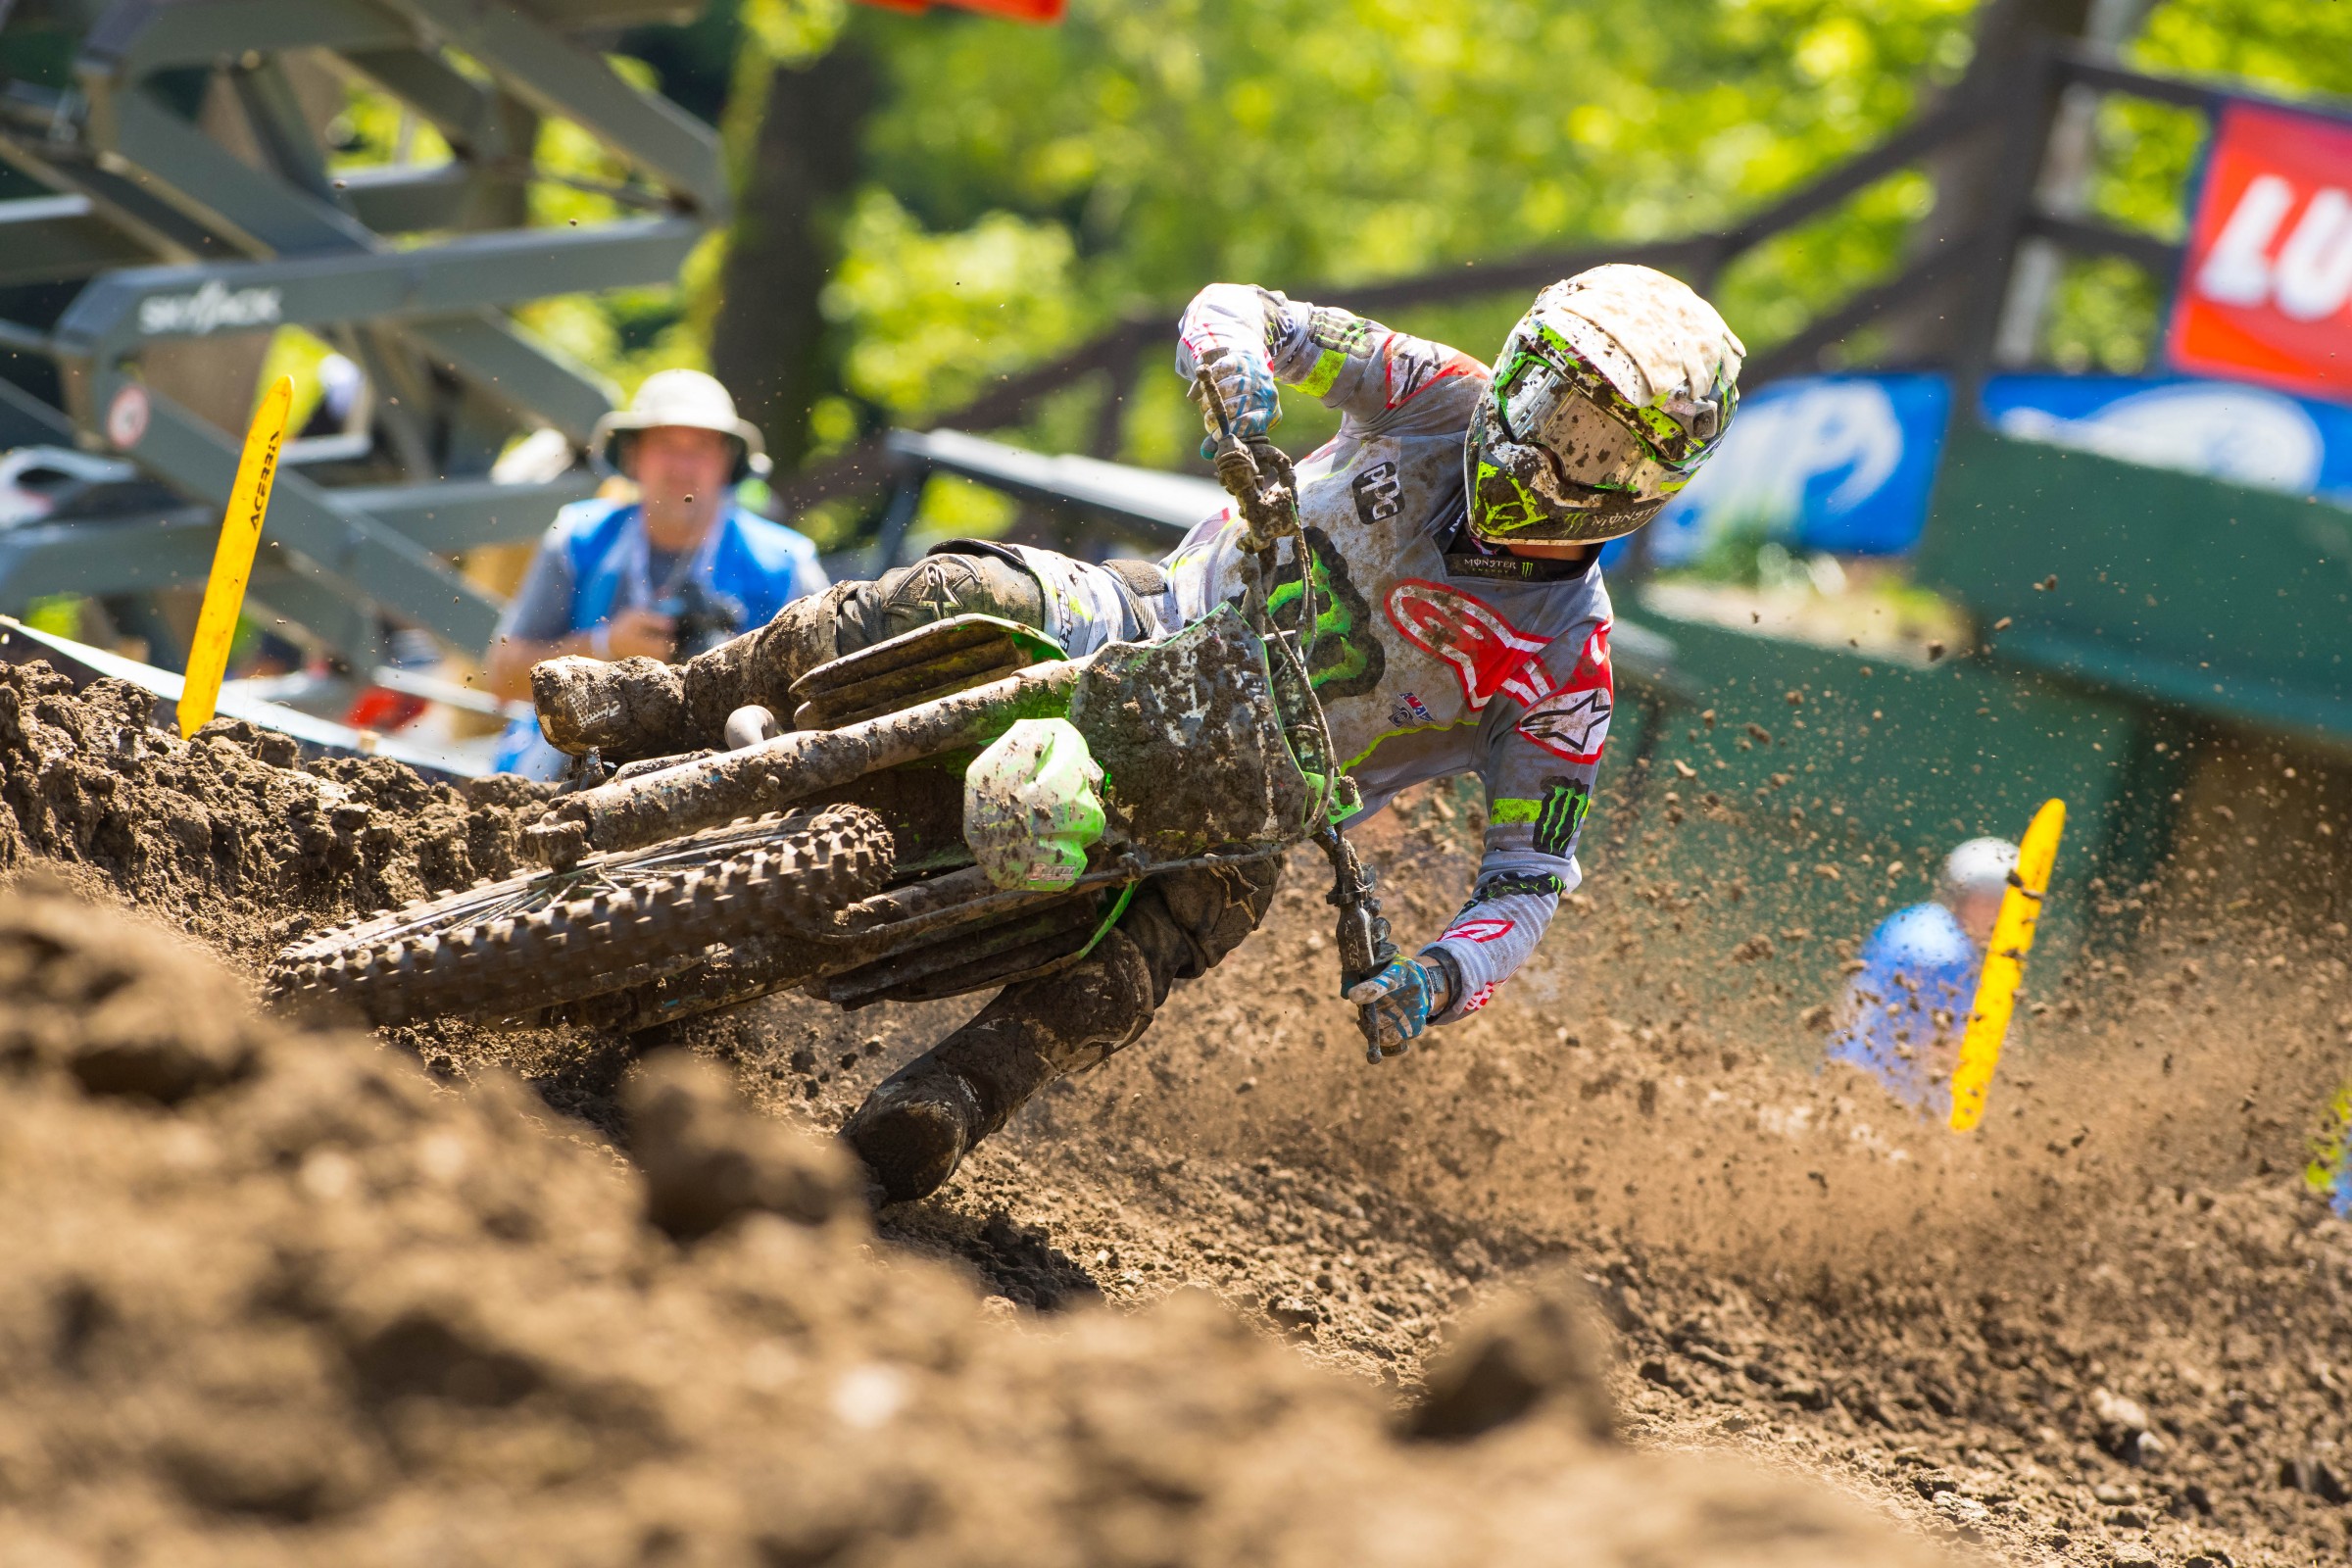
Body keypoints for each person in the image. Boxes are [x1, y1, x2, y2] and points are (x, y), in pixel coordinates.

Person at [529, 266, 1745, 1200]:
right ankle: (667, 699)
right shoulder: (1438, 392)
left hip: (1257, 796)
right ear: (1517, 363)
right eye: (1542, 398)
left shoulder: (1569, 663)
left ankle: (953, 1097)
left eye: (1590, 442)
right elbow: (1243, 306)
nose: (1542, 442)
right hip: (1149, 617)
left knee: (1141, 960)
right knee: (951, 591)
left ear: (1645, 479)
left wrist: (1436, 977)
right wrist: (1238, 372)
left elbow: (1527, 881)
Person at [486, 369, 826, 778]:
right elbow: (501, 678)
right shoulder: (579, 539)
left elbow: (826, 692)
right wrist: (606, 647)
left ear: (727, 462)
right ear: (633, 456)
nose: (682, 465)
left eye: (701, 447)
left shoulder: (786, 563)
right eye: (666, 445)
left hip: (733, 768)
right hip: (572, 767)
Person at [1823, 837, 2018, 1117]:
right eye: (1993, 900)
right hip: (1882, 1111)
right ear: (1965, 897)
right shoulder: (1949, 956)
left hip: (1837, 1092)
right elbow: (1950, 1052)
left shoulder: (1913, 920)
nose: (2003, 913)